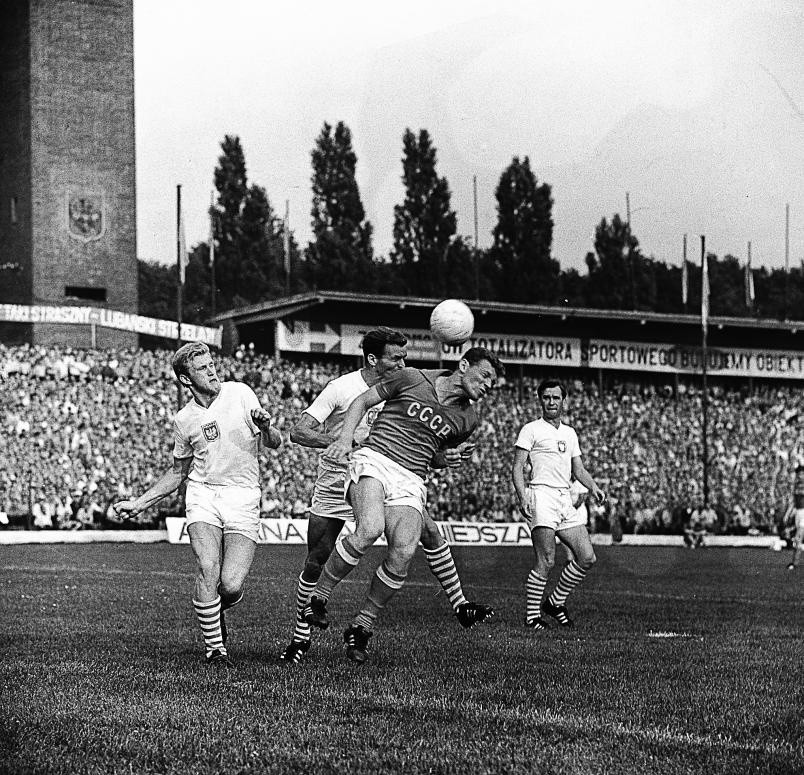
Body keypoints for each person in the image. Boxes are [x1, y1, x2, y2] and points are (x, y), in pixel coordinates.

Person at [280, 328, 494, 664]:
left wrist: (446, 459)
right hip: (349, 474)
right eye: (395, 357)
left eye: (403, 357)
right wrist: (340, 441)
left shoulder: (465, 416)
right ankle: (302, 632)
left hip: (404, 478)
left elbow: (433, 452)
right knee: (330, 551)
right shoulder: (350, 386)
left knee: (410, 544)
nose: (401, 362)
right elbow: (301, 430)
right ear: (373, 359)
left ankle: (363, 627)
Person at [113, 341, 281, 667]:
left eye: (211, 364)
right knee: (207, 567)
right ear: (186, 380)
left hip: (243, 495)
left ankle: (215, 610)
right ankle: (215, 651)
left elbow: (273, 442)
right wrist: (139, 503)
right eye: (202, 368)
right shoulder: (184, 420)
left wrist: (266, 427)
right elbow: (178, 472)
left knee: (230, 585)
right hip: (203, 494)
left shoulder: (241, 393)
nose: (212, 370)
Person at [511, 379, 605, 631]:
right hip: (541, 495)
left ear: (564, 400)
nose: (551, 402)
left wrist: (593, 487)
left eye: (556, 397)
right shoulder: (531, 429)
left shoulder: (570, 433)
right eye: (546, 397)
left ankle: (554, 602)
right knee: (547, 560)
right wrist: (523, 496)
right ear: (540, 400)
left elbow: (579, 468)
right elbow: (517, 467)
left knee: (587, 557)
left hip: (564, 498)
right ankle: (532, 617)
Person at [782, 465, 804, 570]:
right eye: (798, 474)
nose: (800, 476)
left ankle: (794, 563)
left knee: (798, 537)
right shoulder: (796, 486)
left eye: (802, 474)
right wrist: (787, 514)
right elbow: (793, 502)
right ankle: (794, 563)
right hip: (798, 513)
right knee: (798, 539)